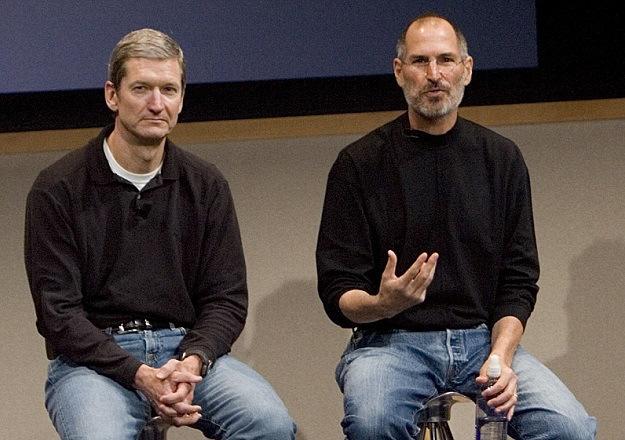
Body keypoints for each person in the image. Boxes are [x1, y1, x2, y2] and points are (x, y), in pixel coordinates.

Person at [316, 13, 596, 440]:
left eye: (446, 60)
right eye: (420, 62)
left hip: (484, 340)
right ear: (398, 72)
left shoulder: (500, 159)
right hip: (391, 342)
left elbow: (519, 280)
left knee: (569, 427)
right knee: (372, 424)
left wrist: (501, 357)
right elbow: (337, 292)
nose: (434, 75)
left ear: (466, 69)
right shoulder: (360, 163)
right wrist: (383, 304)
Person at [24, 28, 296, 440]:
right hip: (93, 362)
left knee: (270, 425)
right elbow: (58, 314)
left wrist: (193, 360)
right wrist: (138, 373)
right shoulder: (58, 188)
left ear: (182, 98)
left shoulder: (205, 184)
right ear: (112, 95)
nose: (156, 104)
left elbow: (226, 298)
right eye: (142, 89)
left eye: (168, 89)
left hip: (185, 351)